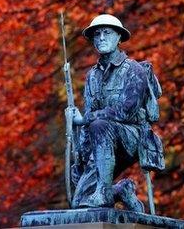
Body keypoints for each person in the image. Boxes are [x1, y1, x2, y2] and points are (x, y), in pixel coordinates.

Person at [66, 14, 164, 212]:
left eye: (107, 33)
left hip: (132, 138)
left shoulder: (134, 70)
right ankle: (120, 190)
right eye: (97, 34)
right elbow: (89, 119)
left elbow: (126, 111)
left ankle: (103, 191)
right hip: (101, 140)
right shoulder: (92, 75)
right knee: (80, 202)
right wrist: (82, 158)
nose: (101, 37)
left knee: (99, 124)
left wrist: (85, 119)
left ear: (119, 37)